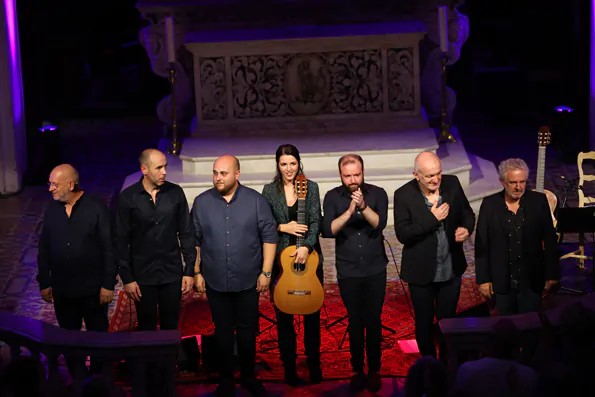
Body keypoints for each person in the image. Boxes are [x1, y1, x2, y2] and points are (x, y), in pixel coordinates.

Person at [191, 155, 277, 397]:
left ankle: (249, 376)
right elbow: (194, 241)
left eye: (224, 173)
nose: (218, 178)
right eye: (215, 172)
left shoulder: (256, 201)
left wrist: (266, 272)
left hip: (248, 278)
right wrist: (196, 271)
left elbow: (269, 237)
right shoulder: (201, 202)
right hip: (215, 279)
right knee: (223, 331)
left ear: (237, 174)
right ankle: (226, 378)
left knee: (248, 331)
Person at [37, 164, 116, 379]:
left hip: (93, 291)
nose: (50, 189)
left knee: (98, 340)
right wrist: (44, 281)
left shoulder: (96, 208)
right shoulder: (52, 209)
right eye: (49, 184)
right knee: (69, 341)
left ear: (70, 184)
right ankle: (78, 382)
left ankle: (98, 383)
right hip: (63, 290)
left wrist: (108, 284)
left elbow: (109, 247)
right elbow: (44, 247)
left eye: (55, 184)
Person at [393, 151, 475, 358]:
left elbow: (467, 213)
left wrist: (466, 229)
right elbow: (403, 235)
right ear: (416, 175)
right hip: (421, 272)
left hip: (450, 269)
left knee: (448, 321)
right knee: (424, 321)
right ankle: (429, 364)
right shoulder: (403, 195)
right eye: (429, 176)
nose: (436, 179)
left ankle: (447, 362)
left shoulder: (452, 184)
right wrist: (432, 219)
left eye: (438, 173)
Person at [321, 153, 388, 393]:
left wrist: (363, 207)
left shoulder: (377, 193)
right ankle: (357, 369)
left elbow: (379, 223)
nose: (352, 180)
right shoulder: (332, 197)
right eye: (347, 176)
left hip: (375, 268)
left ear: (363, 172)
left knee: (374, 320)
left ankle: (375, 369)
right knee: (356, 321)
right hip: (348, 269)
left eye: (356, 174)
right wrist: (350, 211)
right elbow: (328, 230)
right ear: (341, 175)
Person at [261, 144, 324, 386]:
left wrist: (306, 246)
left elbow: (316, 221)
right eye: (283, 164)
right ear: (278, 165)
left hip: (308, 258)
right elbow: (264, 223)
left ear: (299, 163)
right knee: (284, 317)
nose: (289, 168)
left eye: (293, 163)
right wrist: (283, 227)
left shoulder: (312, 187)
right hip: (280, 260)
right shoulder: (269, 191)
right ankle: (289, 367)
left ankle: (314, 363)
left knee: (312, 316)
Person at [114, 148, 196, 330]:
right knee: (146, 326)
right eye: (159, 168)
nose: (164, 172)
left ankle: (169, 359)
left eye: (165, 167)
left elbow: (186, 232)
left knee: (171, 325)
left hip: (171, 272)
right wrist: (127, 278)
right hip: (142, 275)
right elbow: (120, 240)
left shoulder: (175, 193)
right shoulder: (128, 198)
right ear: (144, 169)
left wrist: (189, 270)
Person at [475, 158, 559, 315]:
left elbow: (550, 240)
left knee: (531, 326)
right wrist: (483, 280)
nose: (519, 187)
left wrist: (552, 274)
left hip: (531, 280)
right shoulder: (490, 204)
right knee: (507, 328)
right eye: (513, 182)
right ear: (502, 182)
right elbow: (482, 245)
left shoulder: (538, 201)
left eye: (523, 182)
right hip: (502, 281)